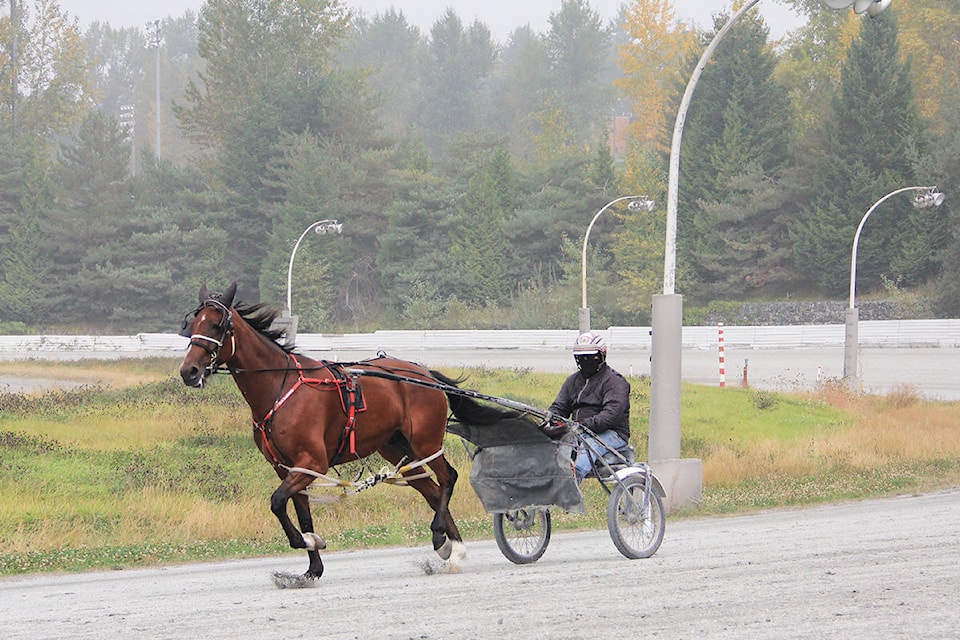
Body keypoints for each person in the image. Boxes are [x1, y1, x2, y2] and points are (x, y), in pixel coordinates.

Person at [547, 331, 631, 482]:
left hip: (612, 433)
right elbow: (559, 407)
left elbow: (610, 416)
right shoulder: (572, 381)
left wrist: (581, 426)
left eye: (590, 357)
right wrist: (551, 420)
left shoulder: (615, 382)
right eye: (581, 357)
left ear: (602, 355)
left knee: (587, 446)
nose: (585, 361)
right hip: (579, 431)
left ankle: (572, 482)